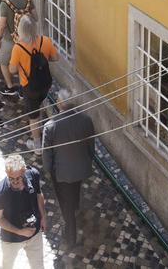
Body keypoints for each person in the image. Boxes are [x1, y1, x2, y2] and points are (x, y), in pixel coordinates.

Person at [42, 88, 95, 249]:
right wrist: (88, 160)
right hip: (81, 167)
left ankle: (71, 235)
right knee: (76, 187)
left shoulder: (50, 126)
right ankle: (77, 203)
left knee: (66, 205)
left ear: (59, 103)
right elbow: (90, 145)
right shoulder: (86, 120)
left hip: (62, 173)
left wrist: (48, 170)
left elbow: (47, 154)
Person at [9, 16, 58, 150]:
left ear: (20, 30)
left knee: (33, 116)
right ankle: (42, 128)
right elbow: (55, 57)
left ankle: (37, 145)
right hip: (45, 83)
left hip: (29, 86)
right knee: (40, 103)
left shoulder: (18, 48)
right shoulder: (46, 41)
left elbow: (12, 69)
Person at [0, 154, 47, 269]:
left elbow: (38, 195)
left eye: (18, 178)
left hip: (34, 233)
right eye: (11, 178)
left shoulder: (33, 174)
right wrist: (19, 231)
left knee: (38, 266)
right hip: (11, 239)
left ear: (24, 171)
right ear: (6, 173)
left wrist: (43, 217)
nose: (15, 181)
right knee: (7, 266)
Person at [0, 0, 34, 96]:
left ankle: (10, 87)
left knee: (3, 62)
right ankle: (24, 88)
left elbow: (1, 26)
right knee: (24, 62)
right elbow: (36, 17)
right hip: (26, 38)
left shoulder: (5, 4)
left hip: (9, 39)